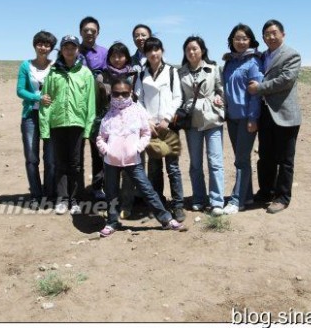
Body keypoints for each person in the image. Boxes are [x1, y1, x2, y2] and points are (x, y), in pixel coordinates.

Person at [96, 78, 186, 237]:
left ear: (131, 93)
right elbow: (101, 137)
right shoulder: (108, 115)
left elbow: (145, 132)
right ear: (112, 94)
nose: (120, 97)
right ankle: (112, 222)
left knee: (148, 190)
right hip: (111, 162)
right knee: (111, 193)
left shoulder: (138, 111)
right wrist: (106, 150)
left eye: (125, 93)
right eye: (116, 94)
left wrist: (137, 148)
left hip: (133, 161)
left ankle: (166, 219)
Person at [247, 19, 302, 214]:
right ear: (262, 38)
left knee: (285, 159)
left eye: (274, 33)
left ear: (283, 34)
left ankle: (283, 197)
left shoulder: (292, 55)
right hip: (266, 115)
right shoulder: (262, 56)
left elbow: (285, 80)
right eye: (267, 34)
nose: (270, 37)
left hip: (285, 115)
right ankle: (265, 192)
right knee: (266, 156)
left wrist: (259, 89)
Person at [40, 35, 96, 216]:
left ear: (78, 50)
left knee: (76, 164)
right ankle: (62, 200)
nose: (69, 50)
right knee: (59, 163)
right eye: (66, 47)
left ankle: (75, 200)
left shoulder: (85, 73)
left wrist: (88, 128)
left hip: (77, 124)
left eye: (73, 47)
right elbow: (46, 100)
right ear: (61, 50)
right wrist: (45, 127)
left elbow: (90, 103)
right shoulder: (53, 72)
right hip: (57, 123)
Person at [134, 37, 186, 222]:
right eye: (149, 50)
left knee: (173, 167)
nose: (153, 53)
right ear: (145, 53)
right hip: (151, 129)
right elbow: (138, 100)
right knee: (154, 168)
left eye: (156, 50)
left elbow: (178, 97)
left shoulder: (172, 72)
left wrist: (166, 118)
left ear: (162, 51)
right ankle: (158, 204)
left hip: (168, 126)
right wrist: (147, 120)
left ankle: (178, 205)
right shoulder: (142, 74)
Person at [178, 36, 226, 216]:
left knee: (215, 161)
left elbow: (221, 90)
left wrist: (220, 101)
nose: (191, 52)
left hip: (213, 119)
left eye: (195, 49)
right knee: (195, 163)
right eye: (188, 49)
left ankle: (216, 201)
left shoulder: (213, 69)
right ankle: (198, 198)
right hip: (192, 122)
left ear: (202, 51)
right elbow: (179, 97)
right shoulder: (180, 73)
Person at [221, 24, 263, 214]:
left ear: (250, 41)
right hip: (232, 118)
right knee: (242, 159)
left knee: (241, 160)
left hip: (247, 117)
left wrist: (253, 118)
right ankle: (247, 196)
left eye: (244, 38)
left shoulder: (253, 62)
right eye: (237, 38)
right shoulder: (229, 62)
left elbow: (256, 93)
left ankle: (236, 201)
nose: (240, 42)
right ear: (231, 41)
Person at [96, 42, 139, 219]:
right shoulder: (101, 77)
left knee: (129, 169)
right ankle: (111, 204)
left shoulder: (134, 75)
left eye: (121, 56)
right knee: (110, 169)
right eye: (114, 56)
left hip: (130, 128)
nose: (118, 59)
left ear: (127, 58)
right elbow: (98, 103)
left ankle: (127, 205)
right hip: (109, 127)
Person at [16, 30, 57, 209]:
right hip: (30, 116)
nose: (43, 48)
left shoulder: (55, 65)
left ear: (51, 48)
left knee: (50, 159)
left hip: (50, 116)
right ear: (35, 45)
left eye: (47, 45)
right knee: (32, 157)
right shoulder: (26, 66)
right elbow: (20, 90)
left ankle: (49, 194)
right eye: (40, 44)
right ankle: (35, 194)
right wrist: (37, 98)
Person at [78, 16, 108, 201]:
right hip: (77, 109)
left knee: (99, 150)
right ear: (80, 31)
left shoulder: (104, 53)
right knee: (76, 152)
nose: (89, 33)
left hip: (99, 108)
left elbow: (112, 72)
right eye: (86, 30)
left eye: (93, 30)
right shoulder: (72, 50)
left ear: (98, 32)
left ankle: (98, 188)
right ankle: (77, 189)